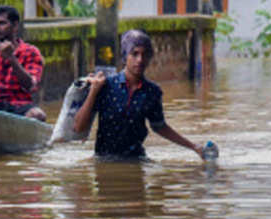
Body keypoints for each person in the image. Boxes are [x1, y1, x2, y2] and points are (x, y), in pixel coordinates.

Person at [73, 29, 205, 159]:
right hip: (104, 161)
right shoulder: (105, 86)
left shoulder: (152, 92)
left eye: (145, 54)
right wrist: (93, 92)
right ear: (125, 57)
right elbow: (78, 128)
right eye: (134, 54)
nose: (140, 59)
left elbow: (160, 127)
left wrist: (194, 147)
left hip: (136, 161)